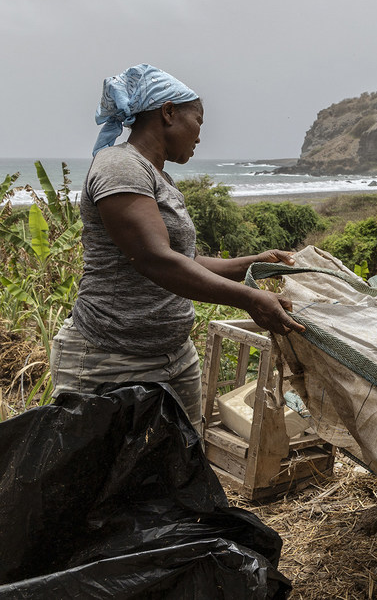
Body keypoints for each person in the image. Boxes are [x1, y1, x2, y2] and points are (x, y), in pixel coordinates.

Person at [50, 64, 305, 433]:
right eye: (198, 120)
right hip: (111, 359)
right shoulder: (120, 166)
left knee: (179, 473)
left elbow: (184, 261)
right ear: (168, 112)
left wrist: (255, 264)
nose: (201, 135)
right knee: (102, 481)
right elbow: (154, 260)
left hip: (174, 357)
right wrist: (250, 299)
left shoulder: (159, 178)